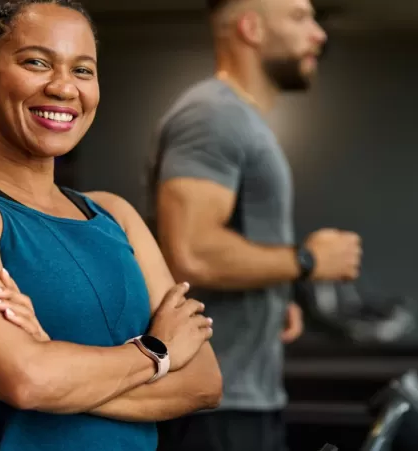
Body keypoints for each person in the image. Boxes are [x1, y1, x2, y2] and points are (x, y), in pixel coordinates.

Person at [0, 1, 222, 450]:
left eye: (83, 70)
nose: (64, 87)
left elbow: (203, 382)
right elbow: (25, 381)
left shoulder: (115, 215)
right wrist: (155, 350)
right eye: (36, 62)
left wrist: (58, 372)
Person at [148, 0, 363, 450]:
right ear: (251, 28)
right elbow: (192, 250)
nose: (319, 35)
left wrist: (274, 296)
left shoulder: (242, 120)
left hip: (247, 395)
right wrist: (307, 261)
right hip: (214, 404)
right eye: (300, 17)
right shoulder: (212, 115)